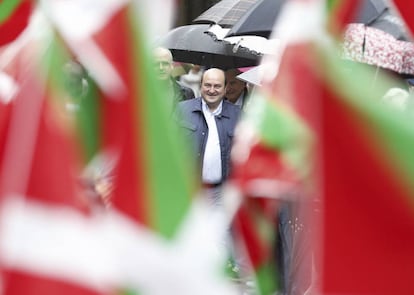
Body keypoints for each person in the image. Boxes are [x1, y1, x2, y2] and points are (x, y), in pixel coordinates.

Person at [174, 68, 241, 206]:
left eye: (217, 86)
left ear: (225, 88)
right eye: (207, 85)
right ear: (200, 86)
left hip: (222, 194)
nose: (212, 90)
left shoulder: (238, 115)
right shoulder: (182, 110)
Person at [153, 47, 195, 112]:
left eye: (165, 64)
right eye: (156, 64)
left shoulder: (186, 93)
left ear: (172, 66)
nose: (161, 68)